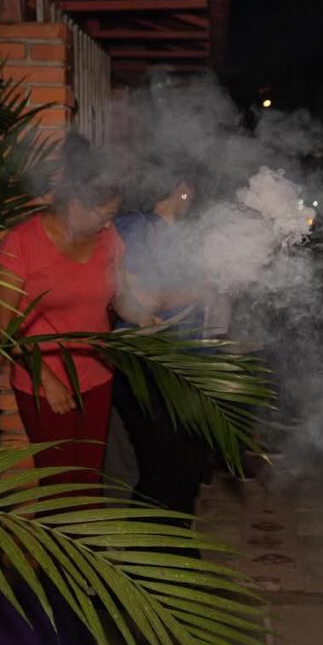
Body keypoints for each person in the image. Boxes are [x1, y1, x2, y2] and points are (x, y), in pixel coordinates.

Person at [0, 134, 155, 486]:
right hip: (44, 384)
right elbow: (2, 327)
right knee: (60, 489)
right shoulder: (21, 242)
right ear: (77, 204)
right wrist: (47, 380)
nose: (109, 225)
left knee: (88, 481)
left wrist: (144, 317)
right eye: (105, 215)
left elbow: (120, 297)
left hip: (97, 376)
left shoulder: (108, 240)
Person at [112, 172, 214, 519]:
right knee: (161, 466)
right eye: (190, 186)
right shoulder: (133, 228)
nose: (194, 194)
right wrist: (198, 291)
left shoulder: (185, 233)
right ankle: (152, 542)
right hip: (147, 364)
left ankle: (176, 539)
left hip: (188, 361)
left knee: (186, 465)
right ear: (181, 186)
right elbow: (139, 299)